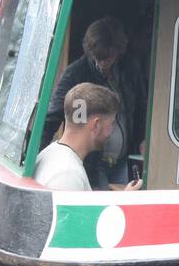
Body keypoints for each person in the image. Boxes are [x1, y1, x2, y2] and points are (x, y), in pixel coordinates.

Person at [43, 17, 147, 190]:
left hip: (124, 159)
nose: (102, 64)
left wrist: (143, 138)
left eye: (108, 59)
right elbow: (53, 119)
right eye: (98, 59)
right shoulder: (75, 75)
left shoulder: (130, 68)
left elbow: (142, 108)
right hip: (92, 163)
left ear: (118, 52)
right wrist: (33, 161)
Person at [35, 83, 141, 191]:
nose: (111, 131)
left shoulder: (53, 154)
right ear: (96, 125)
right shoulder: (68, 175)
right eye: (112, 123)